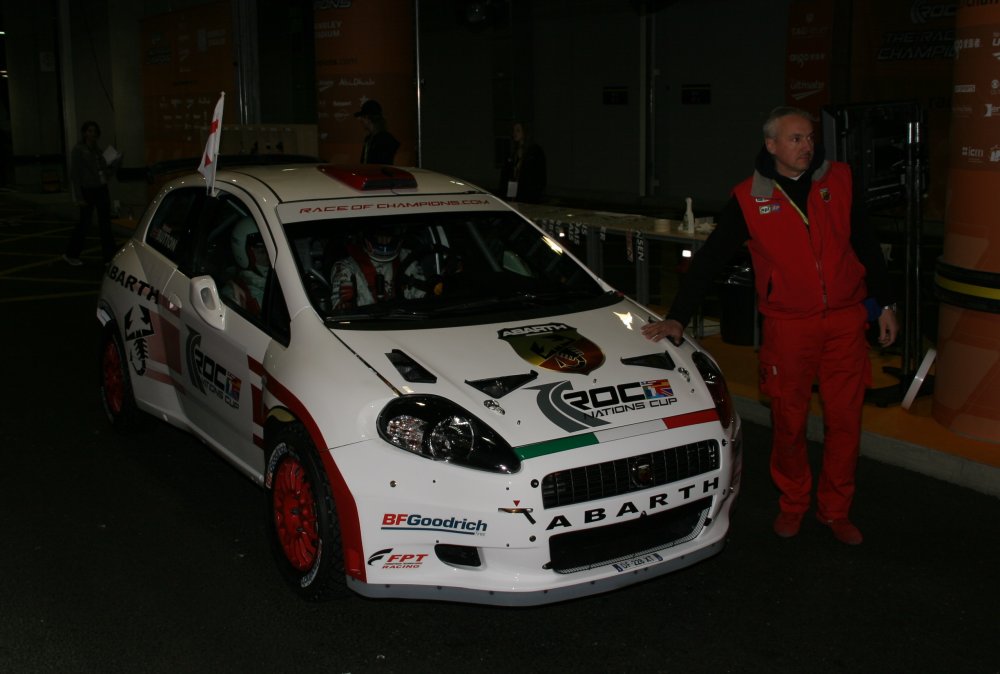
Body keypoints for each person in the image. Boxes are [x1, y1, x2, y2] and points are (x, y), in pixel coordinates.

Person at [641, 106, 899, 546]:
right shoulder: (749, 197)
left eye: (810, 138)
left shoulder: (839, 181)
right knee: (789, 420)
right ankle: (794, 503)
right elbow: (709, 260)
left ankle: (835, 510)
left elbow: (866, 244)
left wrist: (884, 303)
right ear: (772, 145)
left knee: (845, 421)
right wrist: (677, 317)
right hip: (788, 328)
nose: (807, 146)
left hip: (844, 320)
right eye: (796, 139)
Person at [329, 224, 425, 309]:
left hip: (407, 321)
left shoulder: (407, 258)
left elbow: (422, 296)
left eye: (389, 235)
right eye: (378, 236)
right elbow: (339, 307)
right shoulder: (347, 266)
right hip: (367, 325)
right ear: (368, 236)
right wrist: (346, 304)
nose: (384, 241)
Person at [63, 121, 119, 265]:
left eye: (95, 132)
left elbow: (104, 171)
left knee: (105, 223)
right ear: (84, 133)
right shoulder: (78, 150)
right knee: (84, 223)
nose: (92, 134)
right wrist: (78, 197)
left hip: (101, 188)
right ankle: (71, 254)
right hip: (87, 190)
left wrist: (113, 165)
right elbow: (75, 175)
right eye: (89, 131)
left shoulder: (98, 151)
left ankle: (109, 257)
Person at [223, 217, 270, 315]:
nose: (268, 255)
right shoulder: (234, 294)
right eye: (261, 251)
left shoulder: (283, 274)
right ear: (244, 252)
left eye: (269, 249)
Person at [498, 120, 546, 203]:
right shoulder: (513, 151)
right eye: (513, 130)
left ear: (525, 132)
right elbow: (506, 173)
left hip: (528, 192)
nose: (514, 133)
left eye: (518, 130)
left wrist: (535, 192)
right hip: (513, 188)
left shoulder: (534, 151)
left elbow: (540, 174)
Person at [355, 99, 400, 165]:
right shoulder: (369, 139)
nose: (361, 120)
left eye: (363, 117)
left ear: (368, 118)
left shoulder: (385, 139)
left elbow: (384, 164)